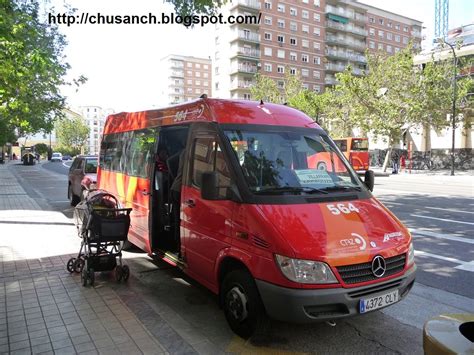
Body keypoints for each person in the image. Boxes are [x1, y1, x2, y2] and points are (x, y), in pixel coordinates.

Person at [169, 150, 185, 253]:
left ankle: (177, 245)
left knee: (177, 219)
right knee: (181, 220)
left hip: (176, 187)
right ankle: (179, 246)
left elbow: (169, 160)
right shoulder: (193, 149)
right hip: (179, 190)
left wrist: (174, 177)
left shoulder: (183, 151)